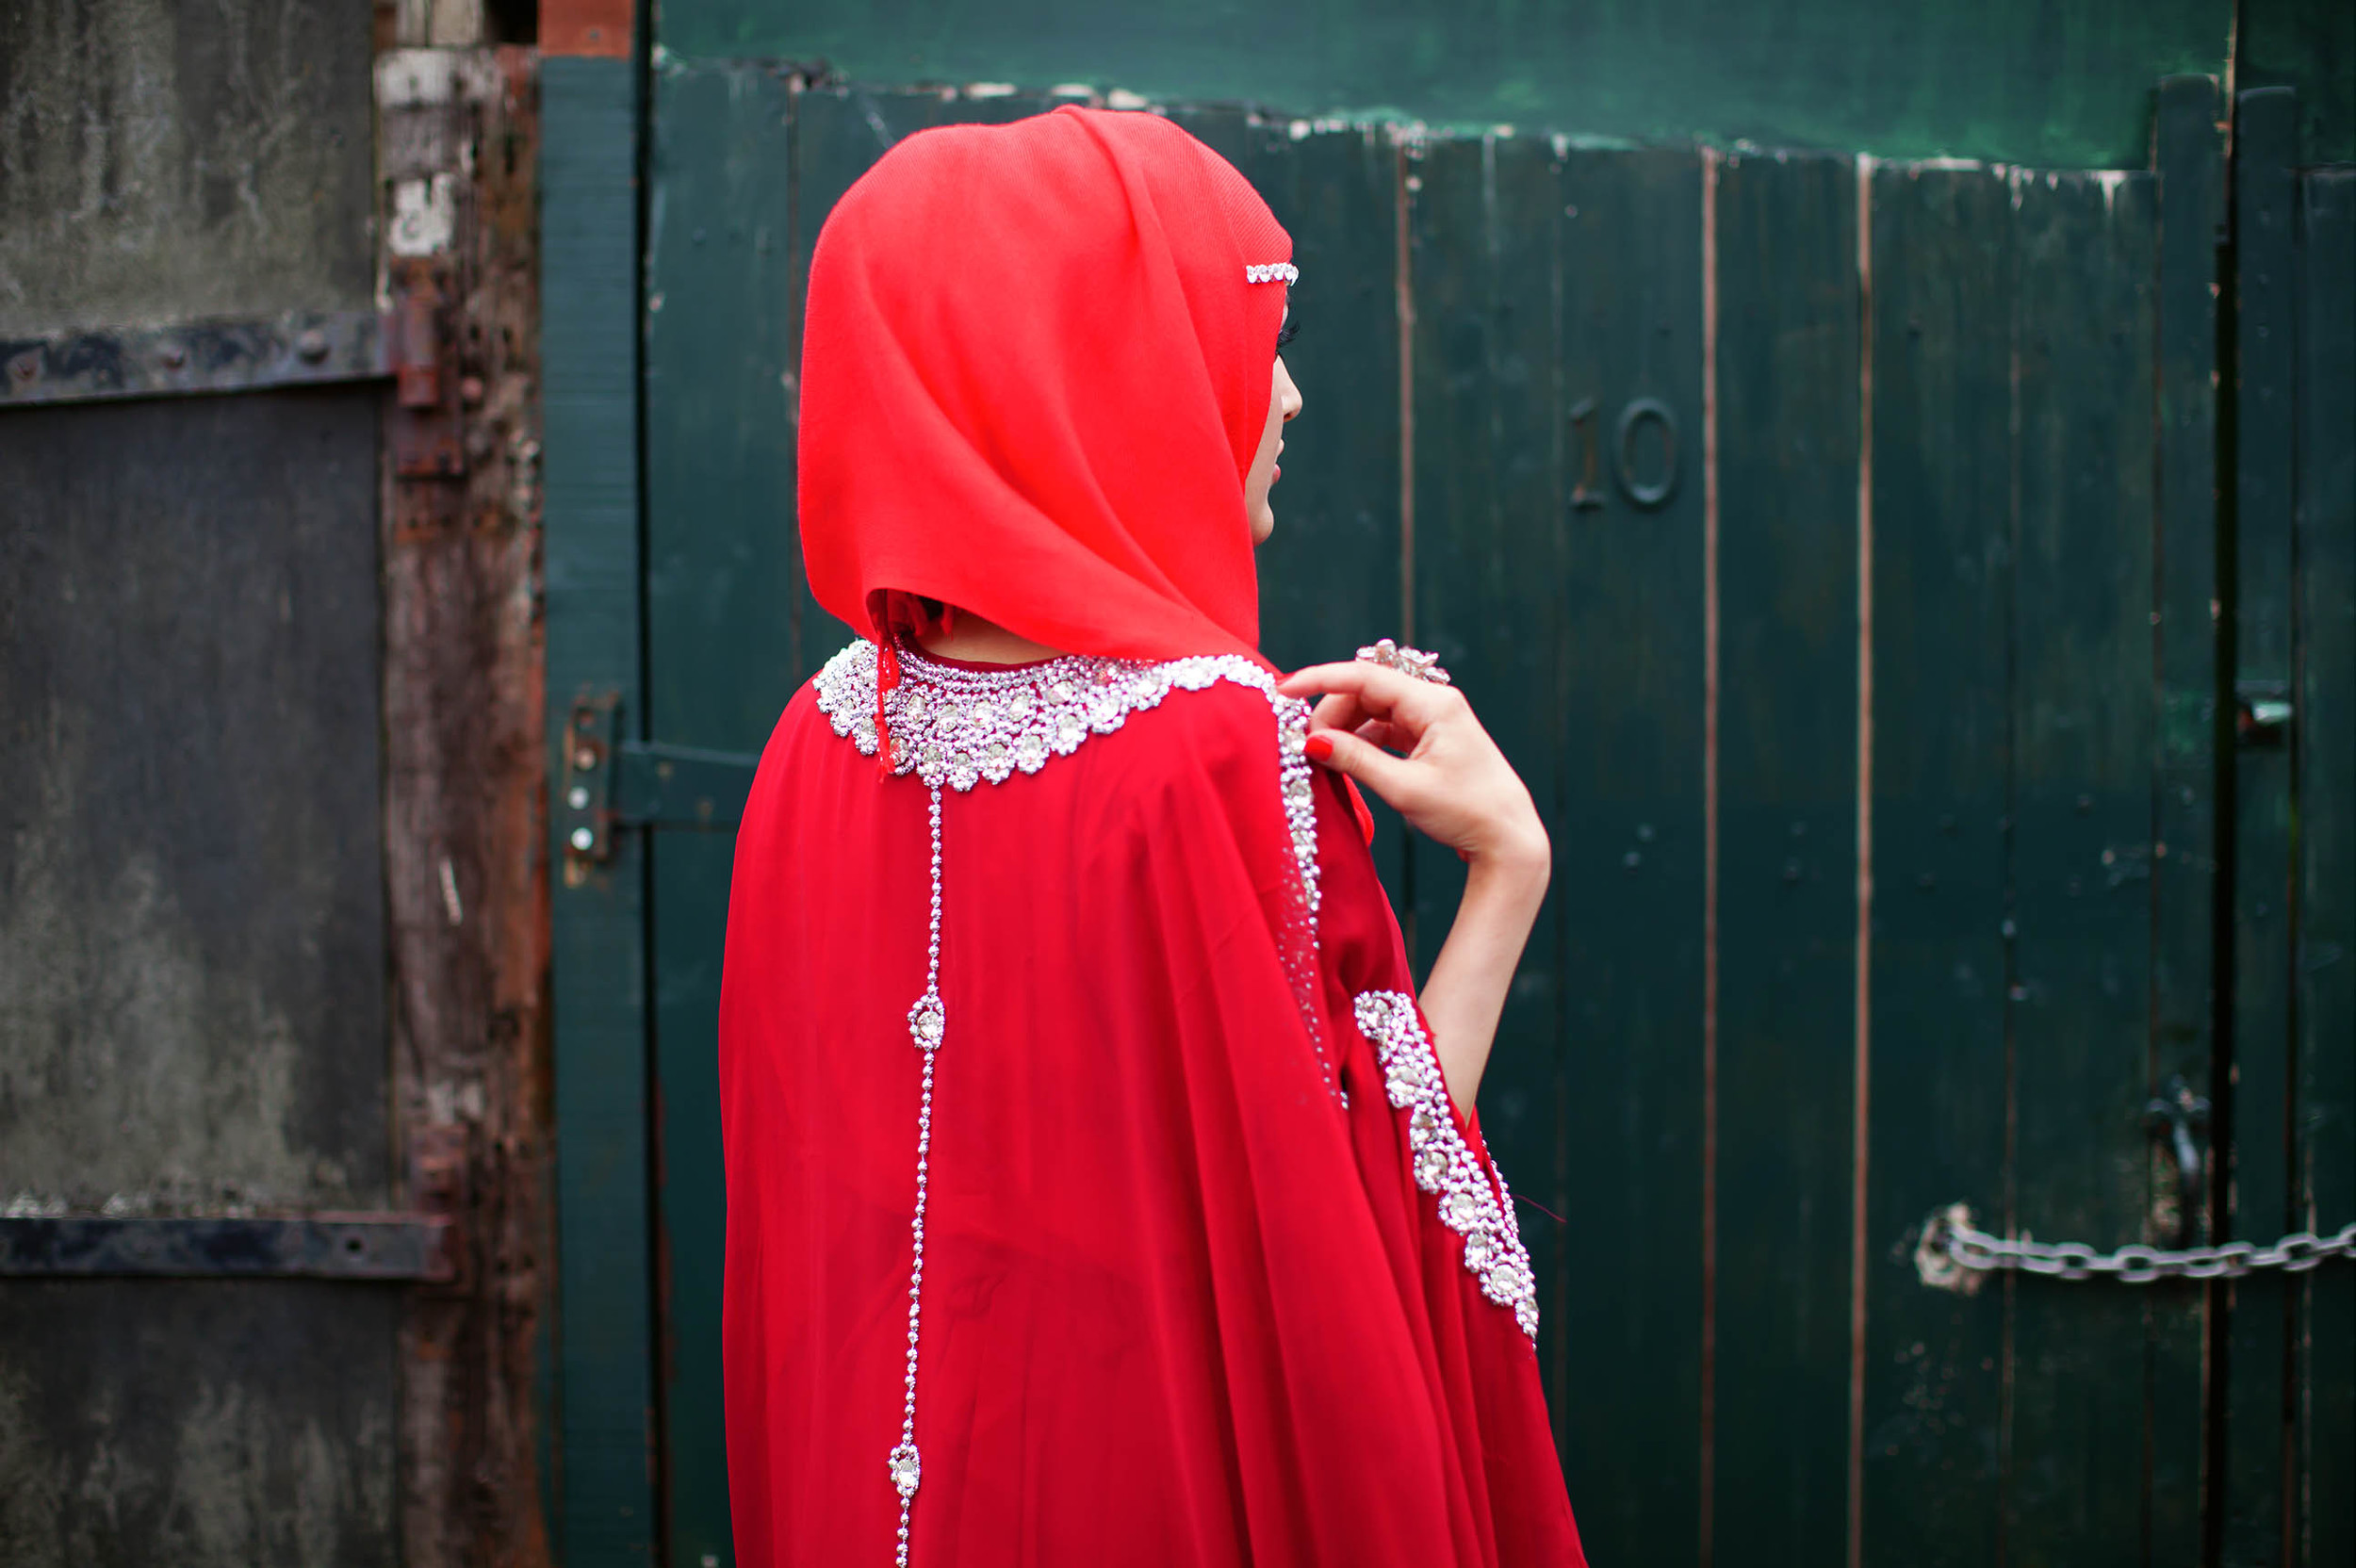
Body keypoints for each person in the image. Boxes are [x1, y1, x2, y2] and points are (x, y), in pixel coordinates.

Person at [719, 105, 1586, 1566]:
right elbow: (1355, 1249)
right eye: (1238, 330)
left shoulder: (812, 736)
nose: (1290, 397)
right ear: (1089, 368)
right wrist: (1506, 872)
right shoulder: (1213, 753)